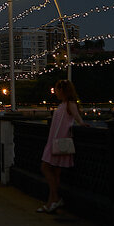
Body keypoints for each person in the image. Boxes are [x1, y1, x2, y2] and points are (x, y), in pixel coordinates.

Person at [38, 79, 87, 213]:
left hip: (60, 141)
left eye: (57, 90)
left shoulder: (69, 104)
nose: (55, 92)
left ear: (63, 90)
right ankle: (51, 202)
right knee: (54, 172)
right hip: (55, 140)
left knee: (46, 167)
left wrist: (82, 124)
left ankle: (55, 199)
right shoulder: (64, 104)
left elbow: (77, 117)